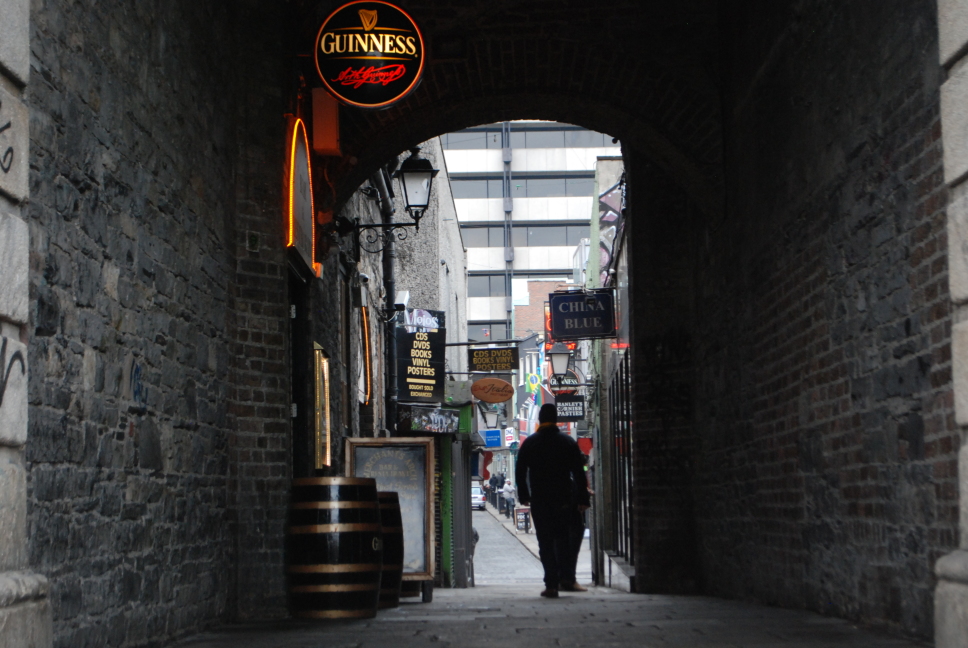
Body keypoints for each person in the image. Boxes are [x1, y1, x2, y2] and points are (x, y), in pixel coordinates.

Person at [515, 403, 590, 598]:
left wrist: (524, 495)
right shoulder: (566, 442)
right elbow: (579, 472)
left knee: (545, 543)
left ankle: (551, 585)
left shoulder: (530, 443)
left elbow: (520, 470)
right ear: (556, 419)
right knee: (563, 541)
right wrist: (582, 497)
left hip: (540, 500)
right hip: (563, 499)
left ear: (539, 419)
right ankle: (566, 578)